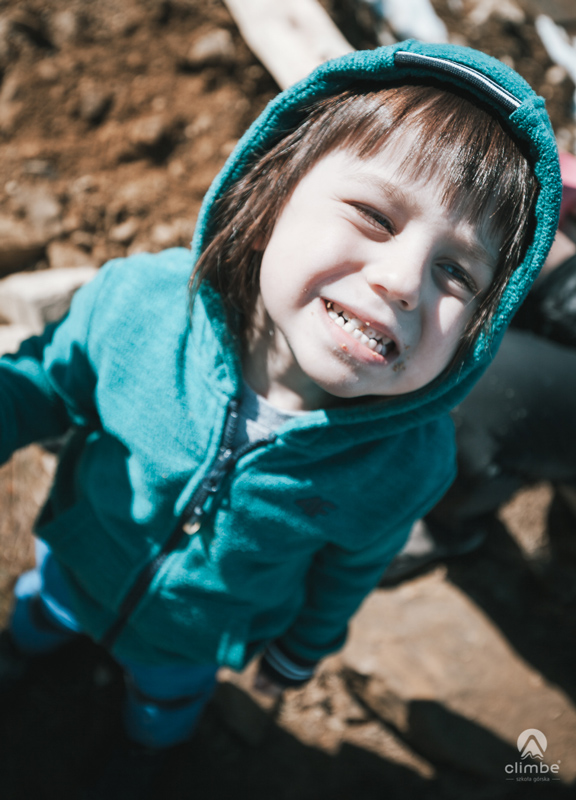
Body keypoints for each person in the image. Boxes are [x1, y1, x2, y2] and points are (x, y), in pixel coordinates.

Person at [0, 41, 561, 799]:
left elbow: (349, 568)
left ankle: (145, 746)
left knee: (164, 700)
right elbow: (44, 382)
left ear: (482, 328)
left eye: (455, 271)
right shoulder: (137, 304)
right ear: (267, 200)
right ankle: (24, 646)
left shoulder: (408, 460)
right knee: (41, 608)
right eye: (373, 214)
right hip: (78, 560)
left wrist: (303, 650)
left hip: (191, 638)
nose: (401, 281)